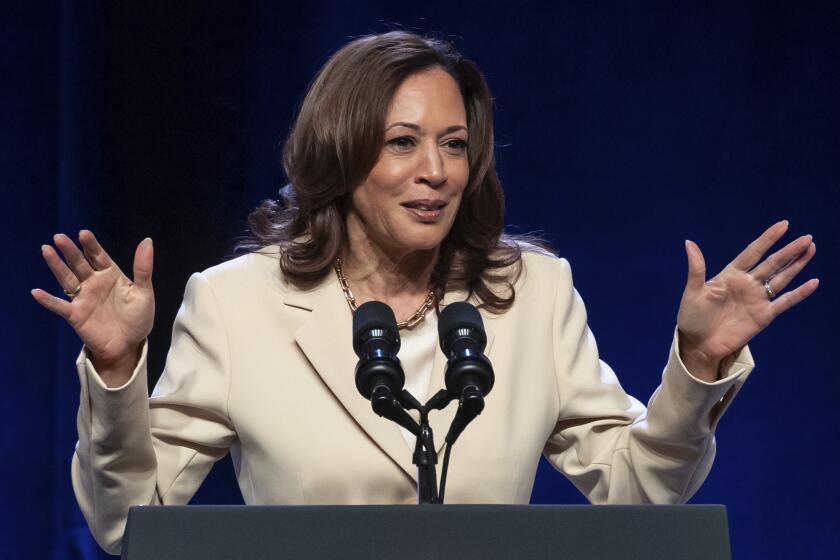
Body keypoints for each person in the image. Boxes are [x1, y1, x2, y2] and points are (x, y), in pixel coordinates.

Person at [31, 31, 818, 555]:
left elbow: (639, 495)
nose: (436, 172)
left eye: (453, 145)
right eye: (402, 144)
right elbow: (126, 522)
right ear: (341, 156)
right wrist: (116, 374)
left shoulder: (532, 292)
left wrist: (698, 367)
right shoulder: (235, 304)